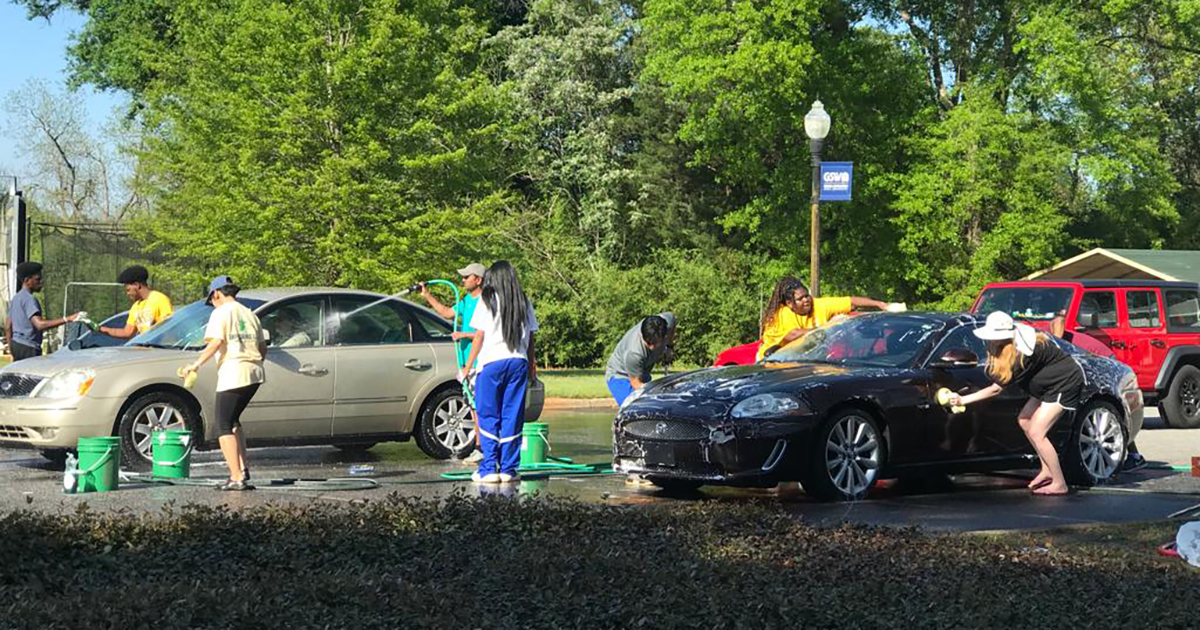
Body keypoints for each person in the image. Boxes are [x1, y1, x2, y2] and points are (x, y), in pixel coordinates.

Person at [949, 311, 1084, 496]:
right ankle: (1046, 470)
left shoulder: (1022, 354)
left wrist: (963, 399)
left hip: (1063, 383)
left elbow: (995, 389)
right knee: (1025, 421)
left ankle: (1059, 483)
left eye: (991, 338)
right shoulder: (1012, 341)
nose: (988, 341)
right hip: (1045, 385)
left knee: (1038, 432)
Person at [181, 276, 267, 491]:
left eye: (212, 300)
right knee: (233, 420)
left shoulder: (220, 312)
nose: (213, 304)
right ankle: (243, 469)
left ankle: (235, 477)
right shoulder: (249, 313)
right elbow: (262, 347)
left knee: (222, 424)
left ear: (216, 293)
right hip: (255, 372)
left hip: (234, 372)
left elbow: (216, 342)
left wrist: (196, 365)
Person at [461, 261, 538, 484]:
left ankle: (488, 468)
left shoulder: (487, 300)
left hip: (492, 364)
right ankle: (509, 469)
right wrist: (532, 365)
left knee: (488, 414)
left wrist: (467, 367)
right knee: (512, 416)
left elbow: (479, 336)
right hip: (518, 363)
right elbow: (531, 337)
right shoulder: (523, 301)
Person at [1050, 314, 1146, 473]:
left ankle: (1134, 455)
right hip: (1097, 360)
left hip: (1106, 363)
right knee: (1113, 412)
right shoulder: (1051, 334)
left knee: (1113, 410)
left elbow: (1060, 320)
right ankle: (1134, 455)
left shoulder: (1056, 339)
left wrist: (1055, 340)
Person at [419, 262, 486, 462]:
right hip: (466, 360)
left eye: (467, 277)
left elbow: (486, 333)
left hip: (479, 361)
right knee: (473, 406)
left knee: (480, 406)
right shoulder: (466, 301)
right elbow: (448, 313)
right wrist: (427, 296)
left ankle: (482, 448)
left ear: (478, 279)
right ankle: (480, 447)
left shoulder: (486, 302)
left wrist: (464, 334)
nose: (463, 280)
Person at [758, 277, 898, 360]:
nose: (806, 300)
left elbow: (851, 301)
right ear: (790, 303)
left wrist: (880, 304)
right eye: (800, 299)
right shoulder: (782, 314)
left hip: (802, 358)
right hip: (772, 358)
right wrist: (830, 326)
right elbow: (792, 335)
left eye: (807, 295)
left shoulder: (819, 304)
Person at [4, 262, 83, 361]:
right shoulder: (29, 299)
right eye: (37, 279)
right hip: (29, 349)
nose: (41, 281)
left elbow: (8, 326)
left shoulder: (16, 298)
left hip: (17, 345)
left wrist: (12, 349)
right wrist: (68, 319)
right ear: (27, 280)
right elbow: (40, 325)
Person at [604, 313, 676, 406]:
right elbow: (636, 384)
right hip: (620, 376)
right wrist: (659, 393)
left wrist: (669, 346)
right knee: (633, 407)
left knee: (653, 406)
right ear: (642, 336)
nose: (652, 347)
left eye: (656, 343)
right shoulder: (634, 353)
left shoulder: (666, 321)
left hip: (643, 371)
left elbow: (672, 318)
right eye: (649, 343)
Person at [98, 265, 174, 339]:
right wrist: (100, 329)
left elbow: (168, 329)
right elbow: (127, 332)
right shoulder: (136, 306)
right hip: (143, 350)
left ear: (137, 285)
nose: (127, 293)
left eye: (128, 290)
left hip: (157, 350)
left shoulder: (159, 299)